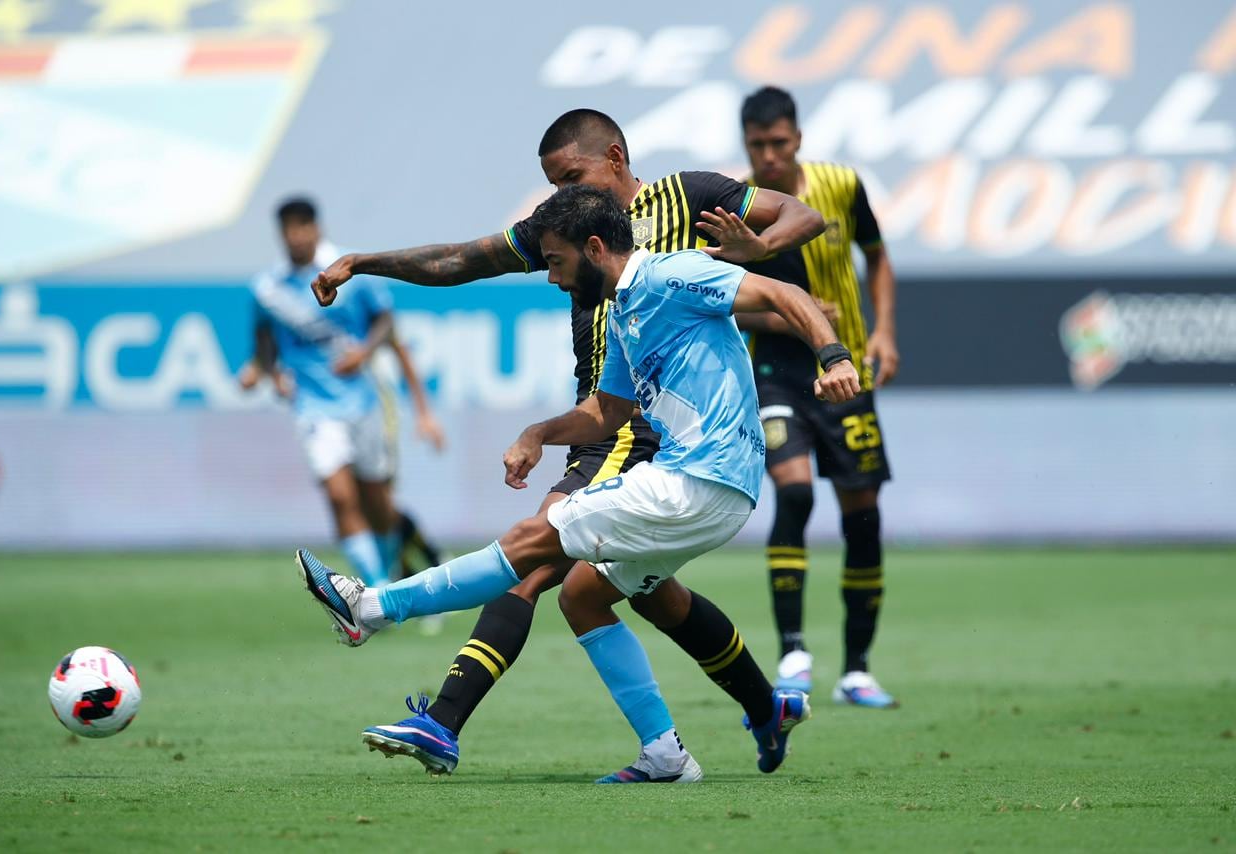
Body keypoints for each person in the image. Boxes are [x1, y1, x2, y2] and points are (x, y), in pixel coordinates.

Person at [301, 109, 828, 770]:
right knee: (605, 593)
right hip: (614, 417)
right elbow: (462, 260)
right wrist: (364, 262)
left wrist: (758, 254)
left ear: (614, 157)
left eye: (569, 177)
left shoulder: (687, 203)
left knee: (534, 551)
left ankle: (428, 700)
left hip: (664, 436)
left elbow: (802, 220)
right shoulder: (568, 233)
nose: (556, 203)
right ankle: (740, 715)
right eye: (550, 186)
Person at [738, 87, 901, 708]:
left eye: (779, 143)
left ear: (798, 138)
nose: (770, 155)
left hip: (847, 370)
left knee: (862, 515)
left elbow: (878, 257)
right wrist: (788, 320)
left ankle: (857, 668)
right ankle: (794, 652)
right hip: (778, 375)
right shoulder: (737, 205)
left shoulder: (840, 186)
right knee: (796, 491)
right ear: (747, 146)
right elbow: (728, 303)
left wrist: (884, 329)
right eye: (758, 146)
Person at [241, 197, 445, 591]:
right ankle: (376, 587)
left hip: (365, 401)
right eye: (289, 229)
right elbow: (264, 346)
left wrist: (364, 353)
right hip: (314, 408)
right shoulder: (267, 290)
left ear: (317, 228)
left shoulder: (345, 272)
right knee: (339, 496)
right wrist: (267, 373)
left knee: (378, 503)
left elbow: (387, 323)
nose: (297, 235)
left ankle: (394, 575)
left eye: (303, 226)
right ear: (280, 234)